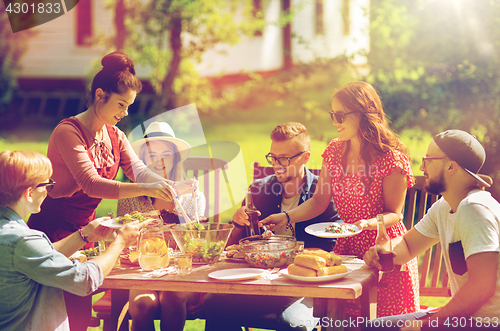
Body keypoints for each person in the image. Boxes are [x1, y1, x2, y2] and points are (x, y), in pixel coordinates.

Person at [26, 52, 197, 331]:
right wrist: (148, 187)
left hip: (91, 231)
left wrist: (170, 186)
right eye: (121, 104)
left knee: (89, 301)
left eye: (129, 105)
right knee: (68, 314)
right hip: (56, 231)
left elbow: (139, 170)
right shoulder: (67, 132)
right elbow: (91, 183)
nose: (126, 112)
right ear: (99, 95)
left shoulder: (115, 135)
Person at [261, 82, 419, 317]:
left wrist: (367, 223)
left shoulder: (390, 159)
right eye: (333, 115)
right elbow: (319, 200)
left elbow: (395, 213)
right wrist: (285, 217)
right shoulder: (335, 151)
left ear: (364, 113)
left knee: (380, 321)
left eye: (341, 115)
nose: (335, 122)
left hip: (383, 248)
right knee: (340, 319)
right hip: (347, 247)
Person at [204, 122, 342, 331]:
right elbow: (232, 247)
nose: (277, 164)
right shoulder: (259, 189)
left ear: (305, 157)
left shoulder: (322, 193)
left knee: (293, 323)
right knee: (214, 305)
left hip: (305, 286)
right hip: (263, 283)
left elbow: (332, 247)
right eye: (273, 157)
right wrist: (237, 223)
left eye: (285, 158)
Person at [363, 129, 499, 327]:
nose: (421, 167)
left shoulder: (474, 209)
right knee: (374, 326)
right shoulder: (445, 206)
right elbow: (408, 246)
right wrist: (384, 250)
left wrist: (427, 325)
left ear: (451, 167)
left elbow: (482, 287)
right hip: (467, 319)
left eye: (428, 160)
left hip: (487, 323)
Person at [0, 150, 147, 331]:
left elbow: (41, 257)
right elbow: (84, 280)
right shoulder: (23, 240)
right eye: (46, 185)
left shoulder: (10, 234)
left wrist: (84, 235)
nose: (47, 191)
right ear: (29, 193)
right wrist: (120, 242)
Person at [117, 121, 206, 331]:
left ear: (175, 156)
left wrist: (179, 199)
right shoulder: (131, 195)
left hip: (181, 272)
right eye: (151, 155)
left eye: (165, 154)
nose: (159, 161)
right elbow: (123, 241)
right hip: (142, 270)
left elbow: (194, 243)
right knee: (142, 304)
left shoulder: (193, 196)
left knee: (172, 296)